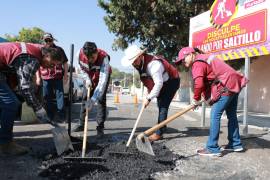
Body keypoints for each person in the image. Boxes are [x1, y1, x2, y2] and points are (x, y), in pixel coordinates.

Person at [175, 47, 248, 156]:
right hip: (234, 82)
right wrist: (200, 99)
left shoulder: (197, 63)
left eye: (183, 59)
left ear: (190, 54)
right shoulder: (204, 58)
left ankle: (212, 148)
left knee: (215, 114)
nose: (182, 63)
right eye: (180, 61)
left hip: (226, 84)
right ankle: (235, 144)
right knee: (231, 115)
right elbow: (208, 82)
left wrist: (195, 99)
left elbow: (199, 84)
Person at [0, 42, 63, 156]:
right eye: (53, 64)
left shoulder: (36, 50)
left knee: (7, 102)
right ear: (47, 56)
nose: (52, 68)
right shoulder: (32, 59)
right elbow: (25, 88)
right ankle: (5, 144)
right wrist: (38, 109)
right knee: (11, 103)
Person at [121, 45, 180, 142]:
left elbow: (158, 83)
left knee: (163, 106)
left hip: (171, 81)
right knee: (160, 104)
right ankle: (162, 126)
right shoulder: (139, 64)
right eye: (132, 63)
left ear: (140, 56)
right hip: (162, 83)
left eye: (135, 61)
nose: (134, 64)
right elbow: (148, 82)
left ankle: (159, 133)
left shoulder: (153, 65)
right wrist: (146, 97)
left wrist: (149, 98)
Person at [72, 42, 111, 138]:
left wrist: (93, 100)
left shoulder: (104, 58)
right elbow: (81, 69)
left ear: (97, 52)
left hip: (101, 77)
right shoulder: (79, 55)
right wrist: (87, 79)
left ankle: (100, 127)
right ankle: (81, 124)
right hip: (89, 76)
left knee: (101, 100)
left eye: (93, 58)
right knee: (85, 98)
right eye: (89, 58)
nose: (91, 60)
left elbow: (102, 82)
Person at [37, 33, 68, 122]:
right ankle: (50, 116)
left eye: (49, 40)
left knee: (60, 97)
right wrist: (38, 77)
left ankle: (62, 116)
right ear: (43, 40)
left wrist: (65, 75)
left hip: (57, 76)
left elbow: (65, 63)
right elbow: (38, 64)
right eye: (46, 40)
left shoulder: (59, 49)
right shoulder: (41, 50)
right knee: (47, 97)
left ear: (52, 40)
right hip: (45, 77)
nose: (48, 42)